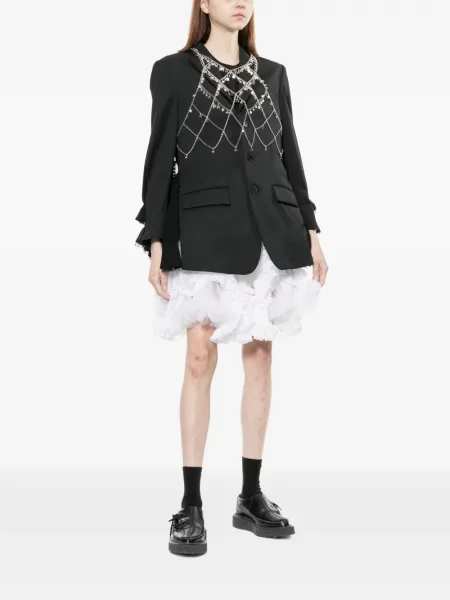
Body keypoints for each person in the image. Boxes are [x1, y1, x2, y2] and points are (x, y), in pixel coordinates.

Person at [135, 0, 328, 556]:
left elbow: (290, 154)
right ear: (203, 2)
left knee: (261, 356)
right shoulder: (172, 71)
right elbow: (159, 159)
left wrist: (311, 228)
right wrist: (155, 238)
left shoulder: (274, 74)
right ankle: (190, 504)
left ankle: (250, 495)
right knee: (199, 356)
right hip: (203, 229)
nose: (240, 1)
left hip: (271, 229)